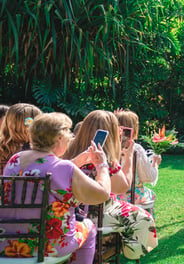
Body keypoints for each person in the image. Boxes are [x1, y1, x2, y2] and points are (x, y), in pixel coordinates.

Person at [0, 112, 111, 263]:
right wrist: (102, 166)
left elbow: (46, 171)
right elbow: (102, 194)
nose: (71, 138)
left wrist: (76, 162)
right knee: (89, 227)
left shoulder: (16, 159)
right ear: (59, 138)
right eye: (68, 133)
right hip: (48, 244)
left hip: (8, 242)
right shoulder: (62, 167)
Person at [64, 110, 157, 260]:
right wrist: (129, 156)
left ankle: (102, 250)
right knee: (144, 219)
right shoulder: (104, 158)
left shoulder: (67, 152)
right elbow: (123, 186)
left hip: (69, 212)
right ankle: (125, 253)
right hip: (99, 214)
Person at [114, 109, 161, 213]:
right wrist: (155, 164)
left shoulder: (108, 147)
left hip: (110, 195)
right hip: (131, 196)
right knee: (150, 194)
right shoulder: (136, 149)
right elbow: (148, 177)